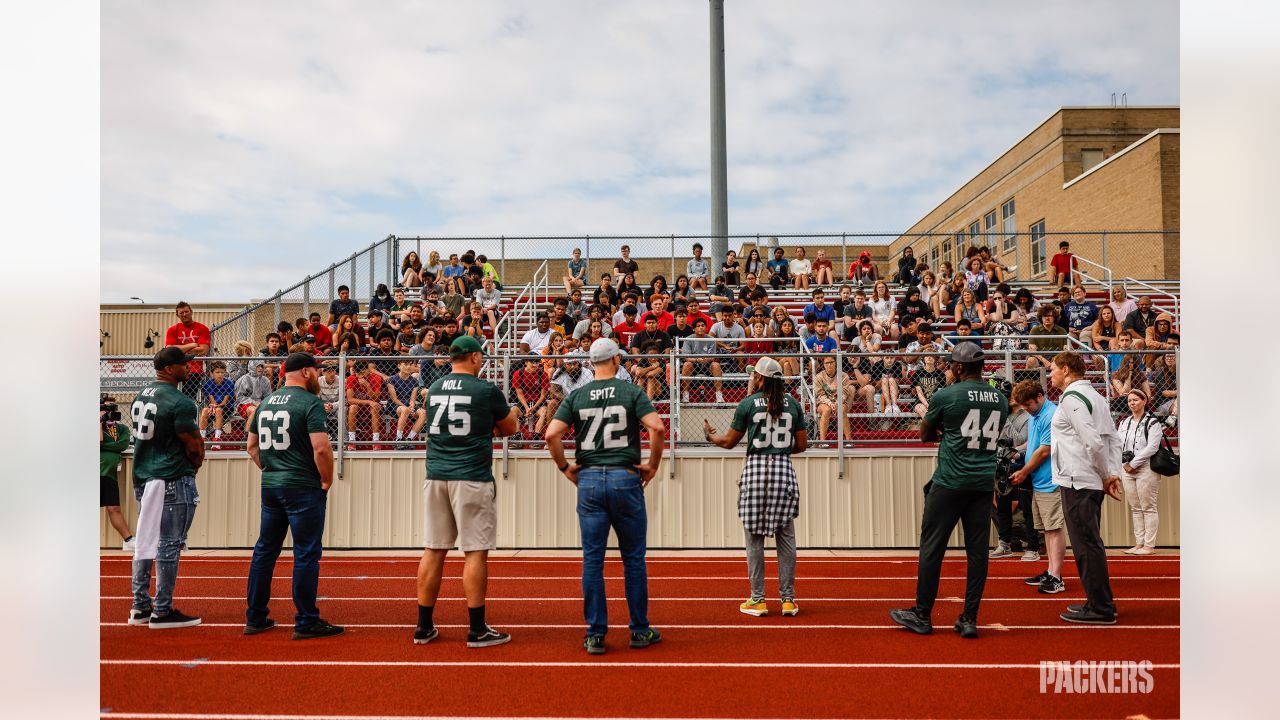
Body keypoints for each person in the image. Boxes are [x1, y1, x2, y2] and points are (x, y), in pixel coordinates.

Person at [545, 338, 666, 655]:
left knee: (593, 560)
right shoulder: (630, 391)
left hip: (589, 480)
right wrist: (651, 467)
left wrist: (565, 468)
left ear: (590, 363)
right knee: (633, 560)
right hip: (624, 477)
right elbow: (657, 428)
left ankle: (596, 633)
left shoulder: (579, 394)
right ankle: (639, 629)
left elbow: (551, 434)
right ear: (614, 360)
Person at [890, 344, 1008, 639]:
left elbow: (925, 434)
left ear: (958, 367)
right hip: (982, 482)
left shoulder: (946, 394)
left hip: (950, 479)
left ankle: (922, 613)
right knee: (977, 552)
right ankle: (969, 618)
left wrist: (945, 428)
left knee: (932, 547)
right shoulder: (999, 398)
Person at [415, 335, 519, 647]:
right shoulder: (484, 389)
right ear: (473, 357)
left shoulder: (434, 389)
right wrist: (507, 414)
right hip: (471, 474)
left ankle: (423, 626)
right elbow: (510, 427)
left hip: (436, 473)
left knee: (434, 549)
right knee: (475, 551)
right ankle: (476, 628)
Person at [242, 352, 343, 639]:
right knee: (306, 553)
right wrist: (325, 479)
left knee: (265, 550)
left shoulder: (264, 404)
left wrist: (271, 469)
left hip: (272, 485)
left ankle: (255, 617)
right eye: (316, 370)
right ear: (308, 372)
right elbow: (321, 448)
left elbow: (251, 447)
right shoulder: (310, 403)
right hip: (302, 486)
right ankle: (306, 620)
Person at [703, 357, 807, 616]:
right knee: (786, 538)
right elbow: (802, 445)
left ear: (760, 378)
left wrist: (710, 435)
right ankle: (788, 600)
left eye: (754, 375)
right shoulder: (793, 404)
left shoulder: (747, 404)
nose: (751, 378)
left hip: (755, 471)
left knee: (754, 538)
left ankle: (758, 599)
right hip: (783, 471)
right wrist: (780, 451)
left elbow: (728, 442)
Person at [128, 347, 206, 628]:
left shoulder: (142, 394)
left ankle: (139, 606)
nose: (188, 368)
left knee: (145, 540)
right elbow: (194, 445)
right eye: (184, 364)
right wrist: (193, 467)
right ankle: (162, 609)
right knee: (169, 544)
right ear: (171, 369)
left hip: (144, 475)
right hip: (171, 476)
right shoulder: (180, 401)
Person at [1048, 351, 1123, 625]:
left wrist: (1107, 475)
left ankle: (1100, 608)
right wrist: (1110, 473)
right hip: (1087, 479)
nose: (1050, 374)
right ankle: (1100, 602)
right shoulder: (1097, 397)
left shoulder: (1071, 399)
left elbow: (1093, 441)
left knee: (1086, 545)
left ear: (1066, 369)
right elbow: (1112, 439)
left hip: (1078, 480)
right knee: (1090, 543)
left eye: (1053, 369)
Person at [1007, 382, 1068, 594]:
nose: (1025, 408)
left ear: (1040, 397)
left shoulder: (1050, 415)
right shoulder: (1035, 415)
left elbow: (1044, 450)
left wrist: (1024, 471)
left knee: (1054, 528)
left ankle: (1056, 576)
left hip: (1050, 480)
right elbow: (1034, 445)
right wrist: (1017, 451)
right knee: (1047, 529)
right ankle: (1052, 570)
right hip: (1039, 480)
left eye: (1028, 404)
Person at [1116, 389, 1164, 556]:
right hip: (1127, 468)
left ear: (1144, 401)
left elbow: (1152, 446)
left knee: (1148, 507)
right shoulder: (1124, 422)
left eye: (1136, 400)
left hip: (1146, 468)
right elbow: (1117, 443)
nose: (1132, 403)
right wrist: (1124, 463)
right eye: (1129, 401)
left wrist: (1134, 463)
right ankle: (1139, 543)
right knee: (1136, 508)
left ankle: (1149, 545)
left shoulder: (1153, 422)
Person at [100, 396, 135, 550]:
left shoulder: (122, 429)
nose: (109, 413)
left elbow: (122, 444)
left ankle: (128, 541)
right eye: (105, 409)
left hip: (109, 474)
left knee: (114, 508)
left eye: (111, 409)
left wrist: (105, 446)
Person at [165, 301, 211, 403]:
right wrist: (192, 345)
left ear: (191, 312)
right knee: (172, 399)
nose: (184, 314)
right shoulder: (172, 330)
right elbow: (169, 349)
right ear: (177, 315)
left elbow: (204, 350)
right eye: (181, 313)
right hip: (174, 368)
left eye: (186, 311)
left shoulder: (202, 329)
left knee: (188, 399)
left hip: (194, 371)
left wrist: (179, 348)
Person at [345, 360, 384, 449]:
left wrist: (368, 386)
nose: (360, 376)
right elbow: (350, 400)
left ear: (368, 370)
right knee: (353, 407)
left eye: (362, 373)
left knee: (375, 408)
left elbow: (376, 399)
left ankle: (376, 440)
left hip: (372, 406)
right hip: (358, 405)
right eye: (358, 373)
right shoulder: (351, 378)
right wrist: (368, 401)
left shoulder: (376, 378)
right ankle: (352, 440)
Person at [387, 360, 427, 444]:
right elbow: (394, 399)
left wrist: (412, 407)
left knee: (423, 413)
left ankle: (409, 439)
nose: (408, 367)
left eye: (410, 364)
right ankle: (399, 439)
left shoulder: (414, 381)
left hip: (408, 404)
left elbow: (412, 399)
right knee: (405, 410)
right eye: (405, 364)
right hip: (395, 405)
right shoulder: (391, 379)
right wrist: (408, 408)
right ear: (399, 366)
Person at [198, 361, 235, 448]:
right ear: (212, 374)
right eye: (217, 372)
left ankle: (217, 439)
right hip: (213, 407)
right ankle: (202, 437)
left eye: (222, 372)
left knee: (218, 410)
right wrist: (213, 406)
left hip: (226, 408)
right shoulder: (209, 384)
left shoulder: (229, 383)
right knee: (204, 410)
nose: (220, 375)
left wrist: (214, 407)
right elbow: (212, 400)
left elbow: (224, 402)